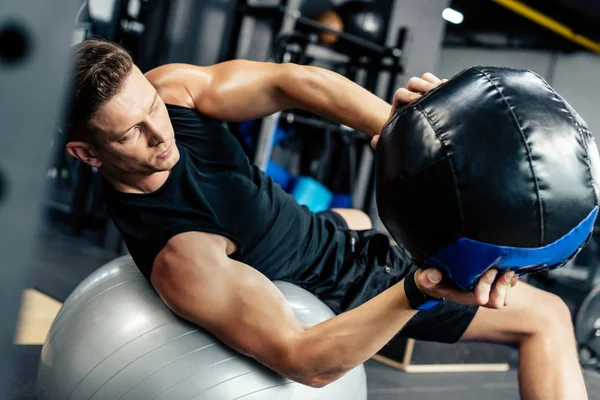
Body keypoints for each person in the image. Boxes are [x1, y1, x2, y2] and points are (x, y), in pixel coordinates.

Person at [65, 39, 587, 400]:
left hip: (329, 234)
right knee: (547, 319)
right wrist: (420, 289)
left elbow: (290, 83)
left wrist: (406, 131)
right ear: (87, 155)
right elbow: (304, 359)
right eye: (132, 132)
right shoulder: (181, 255)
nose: (161, 133)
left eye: (152, 106)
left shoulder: (173, 89)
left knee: (355, 213)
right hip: (345, 289)